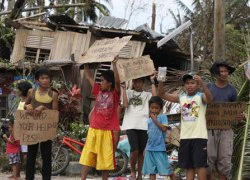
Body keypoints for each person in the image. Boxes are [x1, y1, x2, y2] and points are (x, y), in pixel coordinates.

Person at [158, 73, 213, 180]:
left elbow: (210, 98)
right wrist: (160, 79)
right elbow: (162, 94)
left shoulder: (200, 96)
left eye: (192, 83)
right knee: (189, 166)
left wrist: (202, 83)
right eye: (187, 83)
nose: (190, 85)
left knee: (200, 165)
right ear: (184, 85)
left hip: (199, 136)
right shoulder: (181, 97)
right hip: (185, 137)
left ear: (197, 84)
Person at [79, 56, 121, 180]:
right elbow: (89, 77)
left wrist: (115, 65)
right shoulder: (98, 91)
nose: (100, 82)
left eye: (102, 80)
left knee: (105, 160)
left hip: (107, 131)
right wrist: (86, 64)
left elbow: (118, 82)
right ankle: (82, 179)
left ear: (109, 83)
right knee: (88, 156)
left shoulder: (115, 94)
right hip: (94, 129)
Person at [206, 61, 241, 180]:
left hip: (226, 129)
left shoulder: (232, 90)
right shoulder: (209, 87)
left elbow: (234, 110)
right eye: (221, 71)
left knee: (225, 160)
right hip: (209, 129)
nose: (224, 73)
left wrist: (237, 116)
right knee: (208, 159)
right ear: (217, 73)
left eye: (226, 71)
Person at [24, 67, 59, 180]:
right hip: (33, 128)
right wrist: (27, 106)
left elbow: (55, 114)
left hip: (46, 130)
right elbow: (24, 104)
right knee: (31, 156)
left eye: (47, 78)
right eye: (42, 78)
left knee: (46, 157)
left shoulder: (53, 95)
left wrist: (43, 107)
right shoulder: (31, 91)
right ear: (37, 80)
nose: (45, 80)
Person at [121, 75, 156, 180]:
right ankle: (132, 170)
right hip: (131, 125)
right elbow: (126, 105)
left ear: (143, 83)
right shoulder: (128, 92)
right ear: (133, 83)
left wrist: (153, 81)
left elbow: (155, 99)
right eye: (135, 82)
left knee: (141, 152)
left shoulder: (147, 94)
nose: (137, 84)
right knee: (134, 150)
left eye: (139, 82)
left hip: (144, 125)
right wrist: (123, 89)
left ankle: (140, 174)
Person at [142, 96, 176, 180]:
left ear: (160, 108)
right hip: (150, 149)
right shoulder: (149, 120)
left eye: (156, 108)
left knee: (167, 170)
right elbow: (148, 134)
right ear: (149, 108)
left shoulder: (162, 117)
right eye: (152, 108)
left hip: (159, 149)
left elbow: (164, 128)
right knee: (151, 171)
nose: (154, 110)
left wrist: (155, 120)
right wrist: (145, 148)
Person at [16, 81, 32, 167]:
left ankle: (28, 171)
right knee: (22, 151)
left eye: (18, 89)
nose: (17, 91)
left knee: (26, 152)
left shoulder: (28, 102)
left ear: (23, 90)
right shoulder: (22, 101)